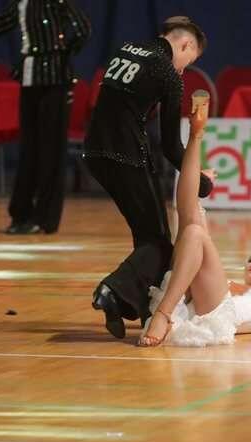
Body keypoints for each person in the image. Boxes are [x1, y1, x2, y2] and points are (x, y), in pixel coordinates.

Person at [83, 16, 214, 339]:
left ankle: (137, 307)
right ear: (185, 44)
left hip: (94, 152)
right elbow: (171, 146)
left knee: (147, 238)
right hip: (126, 155)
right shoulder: (167, 73)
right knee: (157, 241)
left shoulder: (126, 49)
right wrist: (203, 183)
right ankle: (112, 290)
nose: (184, 70)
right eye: (189, 61)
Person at [138, 102, 251, 347]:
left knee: (194, 230)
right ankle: (196, 134)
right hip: (199, 303)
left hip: (218, 315)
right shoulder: (234, 286)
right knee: (190, 220)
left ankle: (164, 314)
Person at [0, 0, 91, 235]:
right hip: (30, 79)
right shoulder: (23, 3)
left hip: (56, 82)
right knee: (29, 149)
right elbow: (1, 23)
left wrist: (61, 54)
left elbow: (83, 29)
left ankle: (44, 218)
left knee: (50, 151)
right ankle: (21, 214)